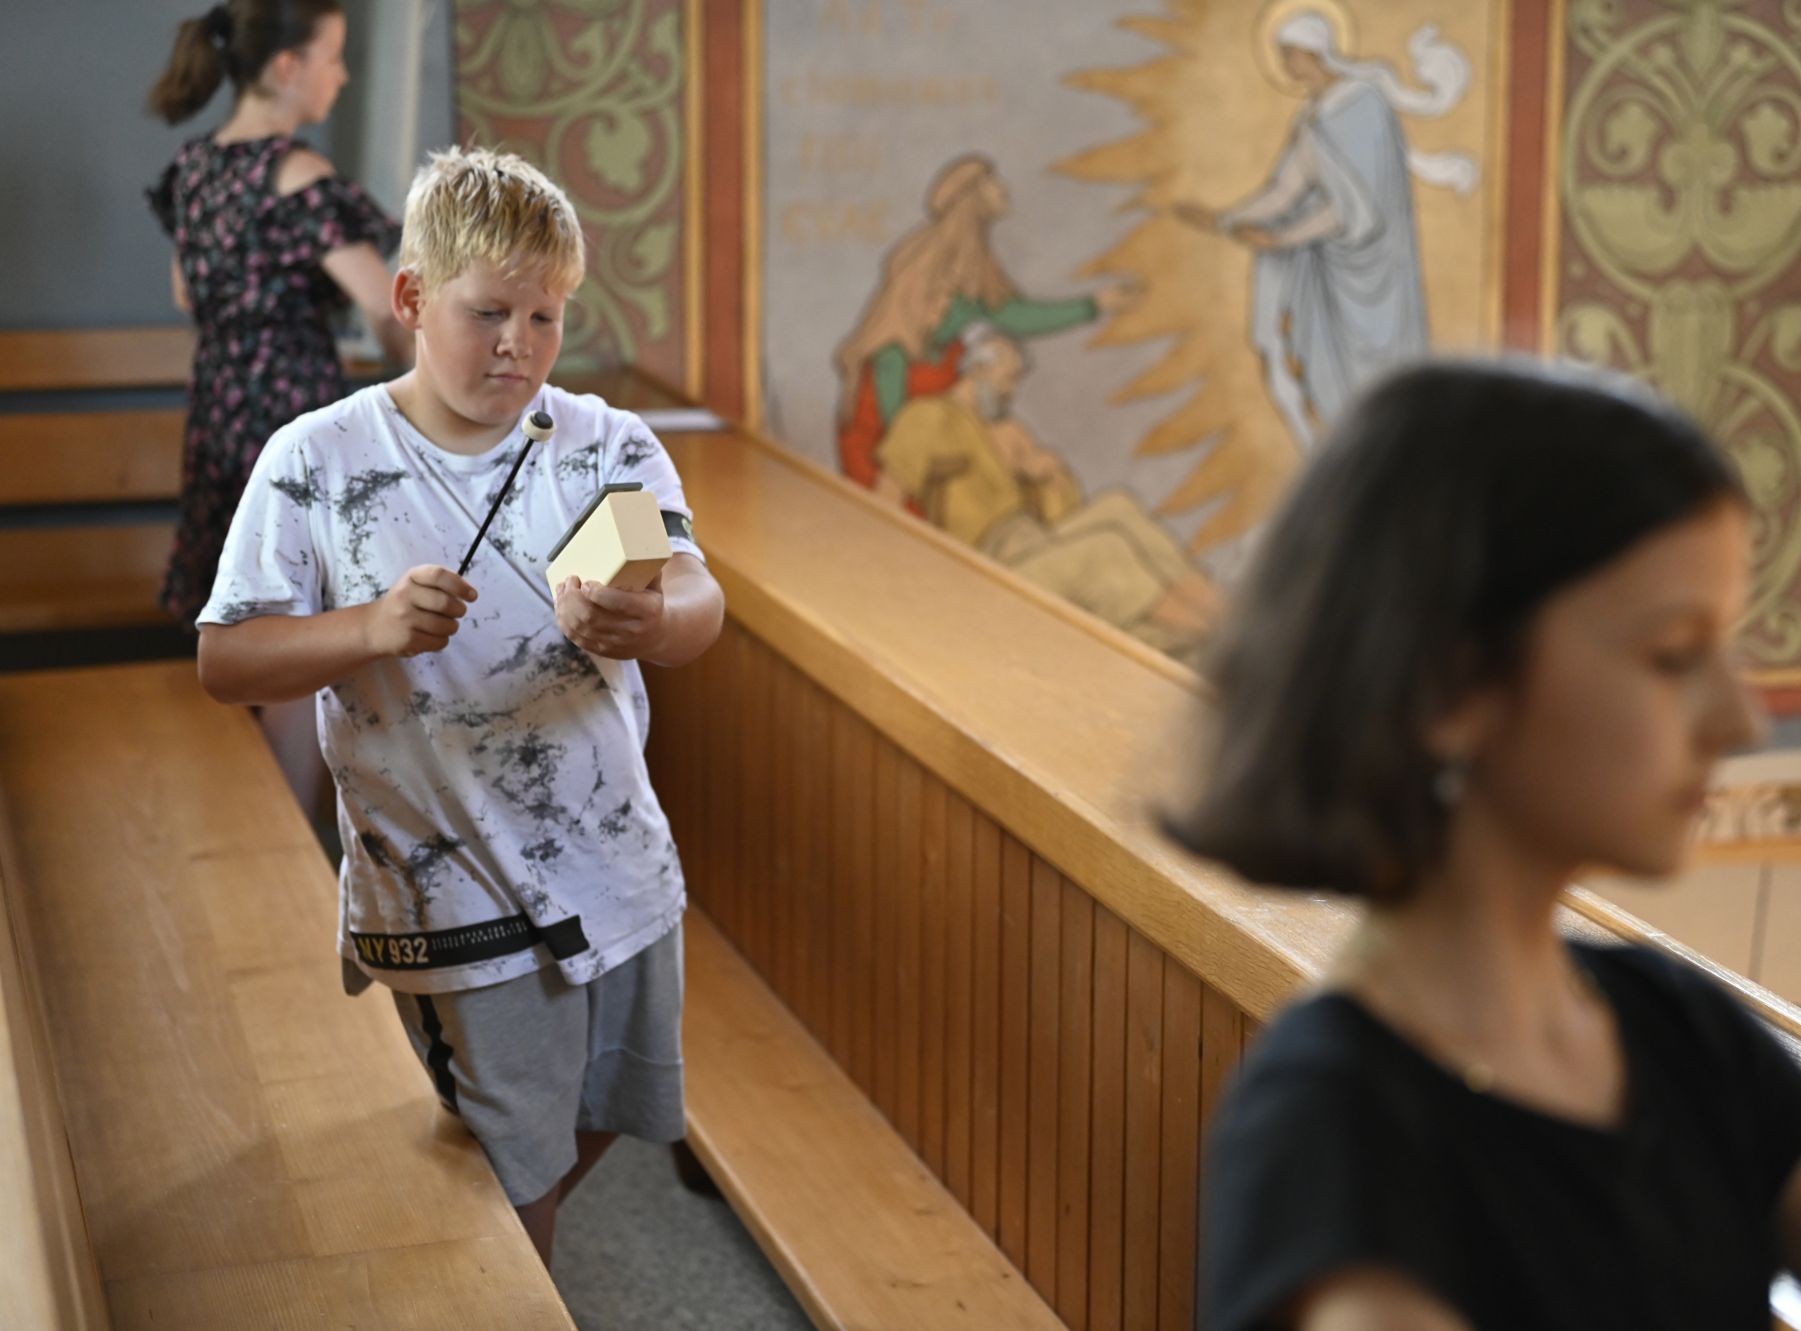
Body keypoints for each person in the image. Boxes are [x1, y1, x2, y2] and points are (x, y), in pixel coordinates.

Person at [1167, 360, 1801, 1331]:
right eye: (1672, 655)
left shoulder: (1680, 1030)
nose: (1742, 719)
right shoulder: (1328, 1130)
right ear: (1450, 687)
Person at [194, 147, 726, 1265]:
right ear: (409, 296)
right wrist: (369, 627)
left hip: (619, 865)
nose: (517, 344)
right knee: (503, 1159)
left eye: (544, 317)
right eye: (488, 312)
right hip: (449, 888)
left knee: (595, 1115)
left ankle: (508, 1277)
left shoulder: (607, 441)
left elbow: (696, 594)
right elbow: (227, 659)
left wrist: (654, 622)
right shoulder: (316, 457)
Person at [147, 0, 410, 807]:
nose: (343, 74)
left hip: (218, 412)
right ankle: (283, 825)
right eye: (333, 56)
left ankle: (246, 816)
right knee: (304, 635)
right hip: (289, 418)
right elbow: (386, 310)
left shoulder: (194, 170)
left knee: (246, 620)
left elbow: (186, 292)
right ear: (288, 67)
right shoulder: (297, 176)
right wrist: (424, 384)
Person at [1175, 13, 1446, 447]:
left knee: (1383, 382)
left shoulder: (1362, 104)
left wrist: (1282, 239)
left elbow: (1355, 210)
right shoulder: (1312, 117)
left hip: (1376, 274)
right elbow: (1285, 191)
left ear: (1313, 52)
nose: (1284, 64)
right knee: (1330, 377)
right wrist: (1224, 219)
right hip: (1330, 276)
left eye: (1289, 53)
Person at [873, 325, 1220, 653]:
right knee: (1105, 548)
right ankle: (1217, 639)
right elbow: (882, 506)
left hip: (1033, 545)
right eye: (1007, 379)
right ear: (978, 371)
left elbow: (1061, 513)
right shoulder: (928, 417)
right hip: (988, 566)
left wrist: (1045, 475)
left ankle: (1223, 622)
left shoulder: (1006, 430)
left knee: (1119, 504)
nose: (1011, 391)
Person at [833, 153, 1130, 491]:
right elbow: (890, 352)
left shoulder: (974, 261)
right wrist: (903, 441)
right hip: (887, 425)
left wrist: (1094, 304)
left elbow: (1013, 315)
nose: (1002, 188)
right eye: (991, 181)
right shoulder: (926, 257)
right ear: (971, 195)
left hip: (933, 411)